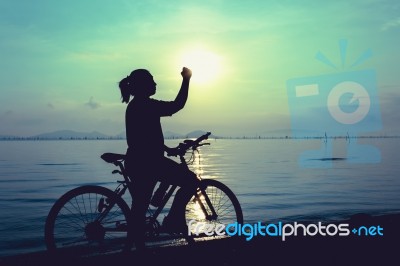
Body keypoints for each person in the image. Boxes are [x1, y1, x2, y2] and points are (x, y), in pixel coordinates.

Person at [118, 67, 199, 251]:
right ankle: (173, 221)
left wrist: (166, 149)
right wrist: (186, 80)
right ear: (143, 85)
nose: (155, 83)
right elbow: (177, 105)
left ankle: (134, 249)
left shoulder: (138, 105)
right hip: (148, 164)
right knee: (190, 181)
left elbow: (144, 137)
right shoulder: (145, 105)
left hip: (140, 161)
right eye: (152, 81)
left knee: (139, 208)